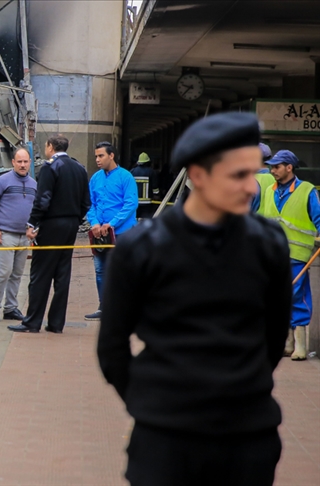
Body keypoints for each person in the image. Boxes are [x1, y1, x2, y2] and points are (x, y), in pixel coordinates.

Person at [98, 113, 291, 486]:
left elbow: (273, 336)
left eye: (253, 173)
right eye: (238, 175)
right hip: (165, 440)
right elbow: (112, 347)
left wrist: (240, 388)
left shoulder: (268, 245)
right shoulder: (142, 249)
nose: (252, 187)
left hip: (248, 438)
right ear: (199, 175)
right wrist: (151, 403)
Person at [8, 134, 90, 333]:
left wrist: (32, 223)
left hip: (52, 225)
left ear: (51, 147)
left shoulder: (50, 167)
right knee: (63, 274)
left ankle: (32, 321)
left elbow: (43, 200)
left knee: (41, 274)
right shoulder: (79, 168)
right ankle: (56, 323)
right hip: (71, 224)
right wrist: (75, 219)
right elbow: (86, 202)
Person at [257, 149, 320, 361]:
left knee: (296, 296)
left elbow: (318, 217)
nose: (272, 170)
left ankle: (300, 345)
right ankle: (288, 342)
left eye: (276, 167)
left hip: (296, 255)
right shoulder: (270, 191)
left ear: (289, 167)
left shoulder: (307, 190)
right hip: (273, 255)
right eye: (271, 167)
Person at [85, 142, 138, 320]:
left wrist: (112, 223)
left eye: (101, 156)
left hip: (122, 233)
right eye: (96, 156)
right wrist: (94, 223)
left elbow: (130, 204)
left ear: (111, 155)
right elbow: (90, 204)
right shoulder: (95, 179)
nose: (97, 160)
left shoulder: (126, 177)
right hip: (100, 234)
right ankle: (104, 307)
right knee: (100, 270)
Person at [0, 147, 37, 322]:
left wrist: (34, 228)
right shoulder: (1, 181)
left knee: (17, 274)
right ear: (13, 162)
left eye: (25, 161)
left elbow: (36, 209)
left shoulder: (34, 185)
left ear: (30, 162)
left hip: (24, 236)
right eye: (19, 161)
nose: (22, 165)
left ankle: (10, 308)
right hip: (5, 234)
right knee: (4, 272)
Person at [129, 152, 158, 219]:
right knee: (145, 222)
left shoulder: (132, 172)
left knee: (134, 221)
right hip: (147, 204)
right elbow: (155, 187)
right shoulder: (151, 172)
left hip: (134, 202)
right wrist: (156, 195)